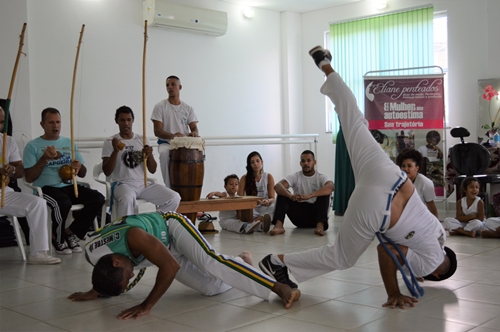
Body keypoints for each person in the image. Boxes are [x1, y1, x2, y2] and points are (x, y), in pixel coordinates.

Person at [258, 46, 457, 310]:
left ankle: (326, 66)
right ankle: (277, 262)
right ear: (438, 274)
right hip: (377, 208)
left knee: (354, 122)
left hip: (391, 176)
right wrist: (393, 292)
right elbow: (387, 252)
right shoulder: (433, 261)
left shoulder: (437, 233)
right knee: (341, 257)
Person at [68, 211, 301, 319]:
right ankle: (242, 261)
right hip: (161, 251)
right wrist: (95, 291)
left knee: (210, 261)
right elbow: (106, 274)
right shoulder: (95, 256)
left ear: (116, 260)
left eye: (127, 277)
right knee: (210, 288)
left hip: (171, 228)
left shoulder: (134, 238)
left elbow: (169, 267)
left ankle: (275, 286)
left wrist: (147, 304)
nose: (131, 278)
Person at [23, 107, 105, 255]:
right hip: (46, 188)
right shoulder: (32, 146)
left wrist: (78, 167)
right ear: (42, 124)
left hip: (69, 185)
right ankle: (58, 238)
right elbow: (29, 177)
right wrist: (45, 158)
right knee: (63, 202)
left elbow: (83, 172)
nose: (56, 126)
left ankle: (70, 231)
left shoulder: (69, 142)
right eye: (51, 122)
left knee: (98, 198)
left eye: (58, 122)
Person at [0, 107, 60, 264]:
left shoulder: (7, 140)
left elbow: (20, 171)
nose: (0, 126)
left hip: (3, 193)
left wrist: (11, 170)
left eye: (2, 122)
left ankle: (39, 253)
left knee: (38, 203)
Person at [102, 106, 181, 218]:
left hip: (143, 184)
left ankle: (155, 222)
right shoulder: (110, 141)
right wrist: (115, 151)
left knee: (174, 197)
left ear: (133, 121)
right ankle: (128, 230)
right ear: (117, 121)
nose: (126, 123)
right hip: (122, 184)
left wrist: (149, 155)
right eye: (122, 120)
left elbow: (152, 170)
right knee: (127, 198)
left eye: (129, 120)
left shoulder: (142, 139)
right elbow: (107, 171)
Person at [269, 150, 334, 236]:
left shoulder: (321, 177)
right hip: (298, 216)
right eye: (303, 161)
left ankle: (320, 225)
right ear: (300, 163)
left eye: (308, 160)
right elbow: (277, 186)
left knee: (325, 193)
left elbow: (331, 187)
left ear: (314, 162)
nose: (306, 163)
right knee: (283, 193)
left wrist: (310, 196)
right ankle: (279, 225)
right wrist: (290, 196)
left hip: (315, 216)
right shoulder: (296, 176)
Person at [151, 75, 199, 187]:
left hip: (184, 144)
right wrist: (172, 136)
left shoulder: (188, 108)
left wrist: (194, 132)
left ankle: (189, 189)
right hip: (166, 143)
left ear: (180, 87)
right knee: (164, 154)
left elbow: (194, 127)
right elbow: (157, 131)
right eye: (167, 85)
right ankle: (169, 188)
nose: (170, 87)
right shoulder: (160, 107)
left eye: (173, 84)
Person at [396, 148, 439, 219]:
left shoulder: (425, 183)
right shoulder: (397, 181)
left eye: (409, 166)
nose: (406, 169)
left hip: (418, 218)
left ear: (417, 168)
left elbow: (431, 206)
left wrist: (437, 226)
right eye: (403, 166)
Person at [237, 151, 275, 233]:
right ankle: (260, 223)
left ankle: (255, 223)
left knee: (276, 203)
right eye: (252, 162)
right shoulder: (244, 178)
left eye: (257, 161)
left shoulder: (268, 176)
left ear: (262, 162)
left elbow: (272, 197)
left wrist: (267, 201)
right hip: (251, 208)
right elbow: (239, 198)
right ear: (249, 165)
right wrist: (254, 202)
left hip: (264, 207)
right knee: (243, 207)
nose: (255, 164)